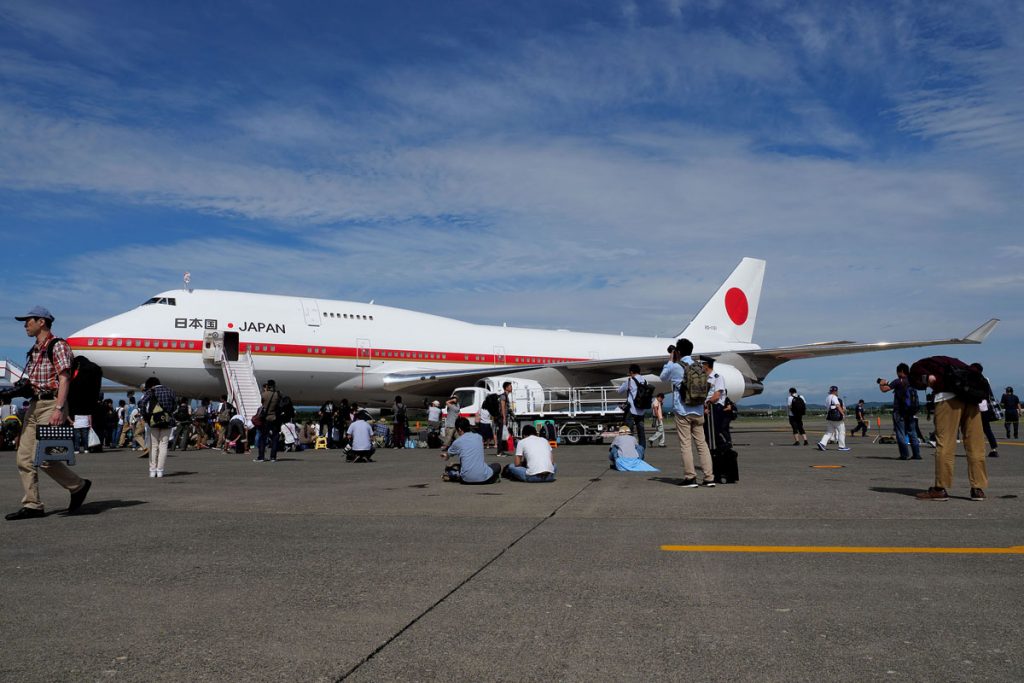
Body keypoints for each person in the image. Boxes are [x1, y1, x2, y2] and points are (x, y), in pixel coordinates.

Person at [6, 306, 91, 520]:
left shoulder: (58, 345)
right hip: (35, 404)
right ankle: (32, 504)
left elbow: (64, 378)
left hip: (52, 403)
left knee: (45, 458)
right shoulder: (35, 349)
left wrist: (59, 408)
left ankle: (78, 486)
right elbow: (35, 380)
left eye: (28, 320)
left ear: (41, 321)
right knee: (23, 457)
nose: (25, 325)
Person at [908, 356, 988, 501]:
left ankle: (940, 489)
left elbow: (930, 379)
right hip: (971, 399)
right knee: (975, 445)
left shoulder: (916, 367)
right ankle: (978, 489)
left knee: (945, 444)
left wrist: (929, 381)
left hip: (948, 399)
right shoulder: (957, 362)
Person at [659, 338, 715, 487]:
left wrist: (671, 360)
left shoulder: (676, 366)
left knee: (686, 445)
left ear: (678, 351)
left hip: (683, 410)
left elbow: (663, 377)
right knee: (702, 444)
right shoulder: (699, 367)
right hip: (698, 409)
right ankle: (709, 477)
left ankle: (690, 477)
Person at [878, 363, 921, 460]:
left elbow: (885, 389)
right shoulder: (912, 381)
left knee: (900, 433)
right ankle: (916, 454)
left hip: (899, 412)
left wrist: (881, 384)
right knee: (912, 433)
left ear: (901, 371)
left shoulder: (898, 381)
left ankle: (904, 455)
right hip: (911, 412)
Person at [441, 417, 500, 484]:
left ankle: (454, 474)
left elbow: (448, 455)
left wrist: (445, 456)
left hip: (466, 479)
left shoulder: (457, 442)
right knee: (497, 466)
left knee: (454, 468)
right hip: (483, 477)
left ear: (459, 429)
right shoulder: (479, 437)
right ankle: (492, 478)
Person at [138, 376, 176, 477]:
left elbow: (142, 403)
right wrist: (168, 412)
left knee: (154, 445)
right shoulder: (170, 391)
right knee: (163, 445)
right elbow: (174, 406)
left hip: (153, 421)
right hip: (167, 421)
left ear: (151, 385)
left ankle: (152, 470)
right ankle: (160, 470)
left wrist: (145, 415)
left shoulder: (151, 391)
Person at [970, 363, 998, 458]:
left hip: (974, 407)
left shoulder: (971, 380)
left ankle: (976, 449)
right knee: (987, 429)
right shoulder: (985, 380)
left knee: (973, 430)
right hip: (985, 407)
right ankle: (994, 449)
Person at [615, 364, 648, 444]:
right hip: (641, 409)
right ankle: (642, 449)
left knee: (629, 431)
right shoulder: (645, 381)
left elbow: (620, 391)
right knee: (641, 431)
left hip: (632, 409)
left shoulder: (630, 380)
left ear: (631, 372)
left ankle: (630, 448)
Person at [255, 379, 282, 462]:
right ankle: (273, 457)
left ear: (267, 386)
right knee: (275, 437)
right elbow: (279, 403)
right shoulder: (278, 394)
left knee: (263, 437)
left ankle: (261, 456)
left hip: (265, 418)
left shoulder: (264, 394)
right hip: (274, 417)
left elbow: (262, 403)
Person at [817, 385, 849, 451]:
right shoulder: (834, 397)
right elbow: (837, 406)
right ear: (835, 391)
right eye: (837, 391)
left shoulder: (827, 397)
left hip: (829, 417)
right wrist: (843, 414)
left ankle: (822, 443)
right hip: (836, 418)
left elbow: (827, 407)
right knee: (841, 431)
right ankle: (842, 446)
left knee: (829, 432)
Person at [495, 382, 514, 456]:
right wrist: (504, 418)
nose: (511, 388)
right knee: (500, 434)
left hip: (502, 417)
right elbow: (503, 407)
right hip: (501, 417)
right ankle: (499, 452)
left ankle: (501, 450)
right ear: (506, 388)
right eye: (510, 386)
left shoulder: (506, 396)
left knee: (502, 434)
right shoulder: (503, 396)